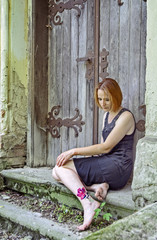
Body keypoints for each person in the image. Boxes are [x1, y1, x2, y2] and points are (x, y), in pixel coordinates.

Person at [52, 78, 136, 231]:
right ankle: (98, 185)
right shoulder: (107, 115)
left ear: (116, 96)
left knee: (60, 168)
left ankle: (87, 202)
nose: (103, 103)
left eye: (107, 99)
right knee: (57, 172)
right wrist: (89, 161)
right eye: (100, 99)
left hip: (119, 167)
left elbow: (105, 147)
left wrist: (74, 151)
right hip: (108, 164)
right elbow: (105, 151)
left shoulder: (126, 117)